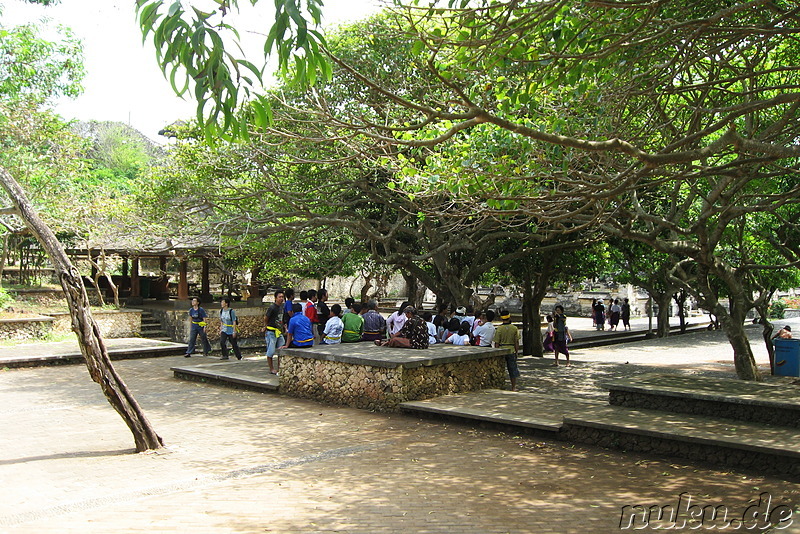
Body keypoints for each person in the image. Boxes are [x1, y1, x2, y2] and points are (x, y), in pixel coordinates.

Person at [494, 309, 520, 391]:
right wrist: (516, 351)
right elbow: (516, 342)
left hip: (501, 350)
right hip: (511, 350)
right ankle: (513, 387)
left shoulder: (499, 329)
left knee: (500, 369)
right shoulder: (514, 328)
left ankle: (500, 385)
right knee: (512, 369)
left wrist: (496, 351)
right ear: (509, 317)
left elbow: (496, 343)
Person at [263, 289, 286, 374]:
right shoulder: (272, 308)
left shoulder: (282, 307)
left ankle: (280, 367)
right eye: (279, 297)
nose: (281, 298)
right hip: (271, 331)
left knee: (281, 348)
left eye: (282, 297)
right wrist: (265, 326)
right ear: (275, 298)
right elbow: (266, 318)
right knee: (271, 351)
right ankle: (271, 368)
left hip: (279, 331)